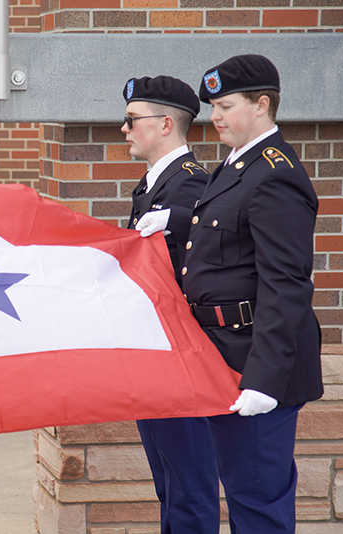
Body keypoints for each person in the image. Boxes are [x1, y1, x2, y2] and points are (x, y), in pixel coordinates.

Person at [183, 54, 322, 532]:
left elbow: (286, 283)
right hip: (227, 356)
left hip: (256, 366)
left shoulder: (274, 173)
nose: (215, 117)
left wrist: (263, 379)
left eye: (225, 106)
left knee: (258, 504)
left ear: (262, 104)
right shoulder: (236, 166)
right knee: (245, 493)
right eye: (213, 107)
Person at [121, 75, 221, 534]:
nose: (124, 128)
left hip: (182, 360)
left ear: (165, 124)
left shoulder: (190, 185)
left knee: (190, 491)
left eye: (132, 119)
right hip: (156, 355)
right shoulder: (153, 185)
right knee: (170, 485)